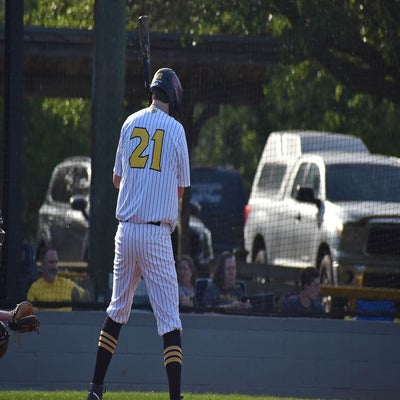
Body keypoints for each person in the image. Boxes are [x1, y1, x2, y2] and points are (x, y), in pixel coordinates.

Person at [86, 67, 190, 400]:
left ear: (152, 92)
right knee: (170, 321)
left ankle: (95, 388)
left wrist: (142, 180)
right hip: (156, 234)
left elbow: (117, 179)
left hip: (126, 231)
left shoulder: (129, 122)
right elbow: (181, 189)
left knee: (117, 310)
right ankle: (175, 397)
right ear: (173, 96)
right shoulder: (176, 130)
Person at [27, 246, 92, 311]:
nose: (54, 266)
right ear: (42, 265)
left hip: (66, 318)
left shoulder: (67, 285)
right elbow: (30, 313)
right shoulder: (35, 288)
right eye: (51, 262)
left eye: (56, 262)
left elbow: (87, 298)